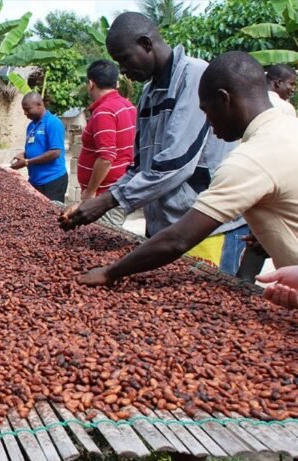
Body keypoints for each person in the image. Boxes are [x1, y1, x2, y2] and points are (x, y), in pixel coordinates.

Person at [76, 51, 298, 290]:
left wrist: (110, 272)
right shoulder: (286, 123)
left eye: (206, 110)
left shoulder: (248, 160)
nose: (208, 123)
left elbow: (178, 240)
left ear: (224, 99)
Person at [59, 12, 248, 275]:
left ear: (146, 44)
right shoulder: (148, 93)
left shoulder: (195, 77)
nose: (123, 71)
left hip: (205, 228)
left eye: (125, 59)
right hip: (164, 227)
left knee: (202, 303)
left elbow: (176, 163)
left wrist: (107, 201)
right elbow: (140, 166)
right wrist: (100, 200)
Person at [77, 60, 136, 227]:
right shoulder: (127, 106)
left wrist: (90, 192)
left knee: (99, 241)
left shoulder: (104, 111)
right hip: (118, 188)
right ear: (116, 83)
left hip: (104, 196)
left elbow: (106, 157)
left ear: (90, 84)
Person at [11, 92, 68, 202]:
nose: (25, 113)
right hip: (35, 181)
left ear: (39, 105)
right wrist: (23, 155)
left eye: (28, 109)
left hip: (52, 180)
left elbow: (55, 152)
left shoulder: (53, 123)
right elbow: (34, 147)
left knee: (52, 215)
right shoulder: (31, 126)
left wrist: (27, 162)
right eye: (24, 109)